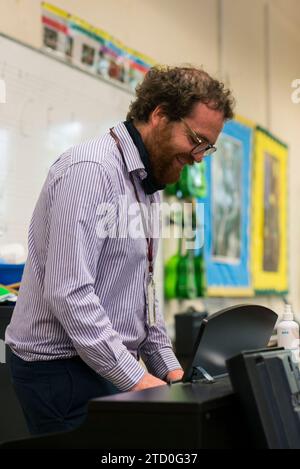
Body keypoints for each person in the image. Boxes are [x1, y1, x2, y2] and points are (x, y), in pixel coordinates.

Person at [5, 65, 235, 436]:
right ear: (159, 114)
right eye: (196, 139)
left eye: (207, 147)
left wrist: (172, 370)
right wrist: (136, 378)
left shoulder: (148, 183)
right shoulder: (90, 171)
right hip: (59, 371)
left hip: (98, 362)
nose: (198, 156)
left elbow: (143, 293)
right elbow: (70, 292)